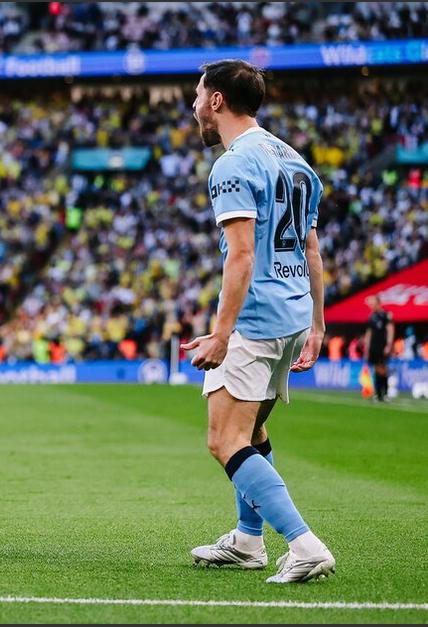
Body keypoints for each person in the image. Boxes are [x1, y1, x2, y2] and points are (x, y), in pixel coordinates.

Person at [181, 59, 335, 583]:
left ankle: (305, 544)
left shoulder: (233, 164)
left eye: (199, 95)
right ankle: (248, 541)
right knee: (253, 427)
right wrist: (316, 324)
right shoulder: (295, 161)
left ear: (218, 101)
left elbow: (241, 255)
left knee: (224, 439)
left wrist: (223, 334)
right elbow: (312, 251)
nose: (195, 105)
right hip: (292, 314)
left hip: (257, 318)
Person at [362, 296, 394, 402]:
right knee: (376, 369)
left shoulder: (386, 315)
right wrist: (366, 348)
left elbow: (390, 330)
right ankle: (378, 394)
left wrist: (389, 345)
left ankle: (385, 393)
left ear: (378, 303)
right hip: (373, 347)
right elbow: (369, 333)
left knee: (383, 369)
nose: (371, 306)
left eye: (372, 303)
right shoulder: (372, 316)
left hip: (382, 346)